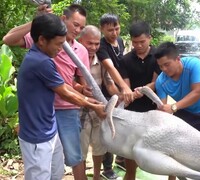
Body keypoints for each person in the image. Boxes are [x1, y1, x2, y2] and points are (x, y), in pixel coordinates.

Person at [3, 4, 92, 180]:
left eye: (82, 27)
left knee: (64, 164)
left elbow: (72, 84)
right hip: (40, 124)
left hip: (54, 116)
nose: (78, 30)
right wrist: (38, 21)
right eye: (75, 24)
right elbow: (8, 39)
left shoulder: (77, 49)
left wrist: (83, 92)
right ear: (63, 19)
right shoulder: (42, 56)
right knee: (41, 172)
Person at [17, 13, 106, 180]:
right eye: (58, 44)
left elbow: (63, 85)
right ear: (42, 40)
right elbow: (64, 93)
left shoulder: (45, 57)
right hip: (37, 136)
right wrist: (93, 106)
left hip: (49, 130)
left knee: (56, 173)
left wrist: (87, 99)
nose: (61, 49)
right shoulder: (40, 61)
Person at [155, 42, 200, 180]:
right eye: (160, 66)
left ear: (178, 59)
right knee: (175, 149)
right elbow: (162, 106)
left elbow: (197, 92)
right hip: (184, 112)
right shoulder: (161, 81)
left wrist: (173, 107)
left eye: (167, 64)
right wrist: (161, 112)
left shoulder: (193, 64)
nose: (164, 69)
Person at [119, 21, 161, 180]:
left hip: (152, 110)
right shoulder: (125, 60)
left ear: (150, 38)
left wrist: (139, 92)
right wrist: (128, 94)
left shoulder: (158, 57)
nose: (138, 45)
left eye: (142, 42)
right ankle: (130, 175)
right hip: (132, 113)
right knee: (131, 148)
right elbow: (125, 85)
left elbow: (156, 82)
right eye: (135, 42)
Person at [78, 25, 120, 180]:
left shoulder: (101, 61)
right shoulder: (73, 59)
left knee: (99, 147)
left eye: (97, 44)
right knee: (80, 149)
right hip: (79, 110)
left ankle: (96, 176)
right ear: (80, 40)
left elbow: (109, 84)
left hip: (99, 111)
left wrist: (122, 96)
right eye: (90, 43)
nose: (94, 47)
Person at [96, 13, 127, 178]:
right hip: (105, 94)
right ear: (102, 29)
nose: (114, 33)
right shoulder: (101, 46)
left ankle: (121, 159)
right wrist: (123, 90)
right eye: (110, 30)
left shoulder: (120, 42)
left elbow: (121, 66)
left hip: (119, 91)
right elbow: (110, 70)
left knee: (122, 128)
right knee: (108, 130)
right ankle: (107, 168)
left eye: (117, 28)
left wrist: (124, 90)